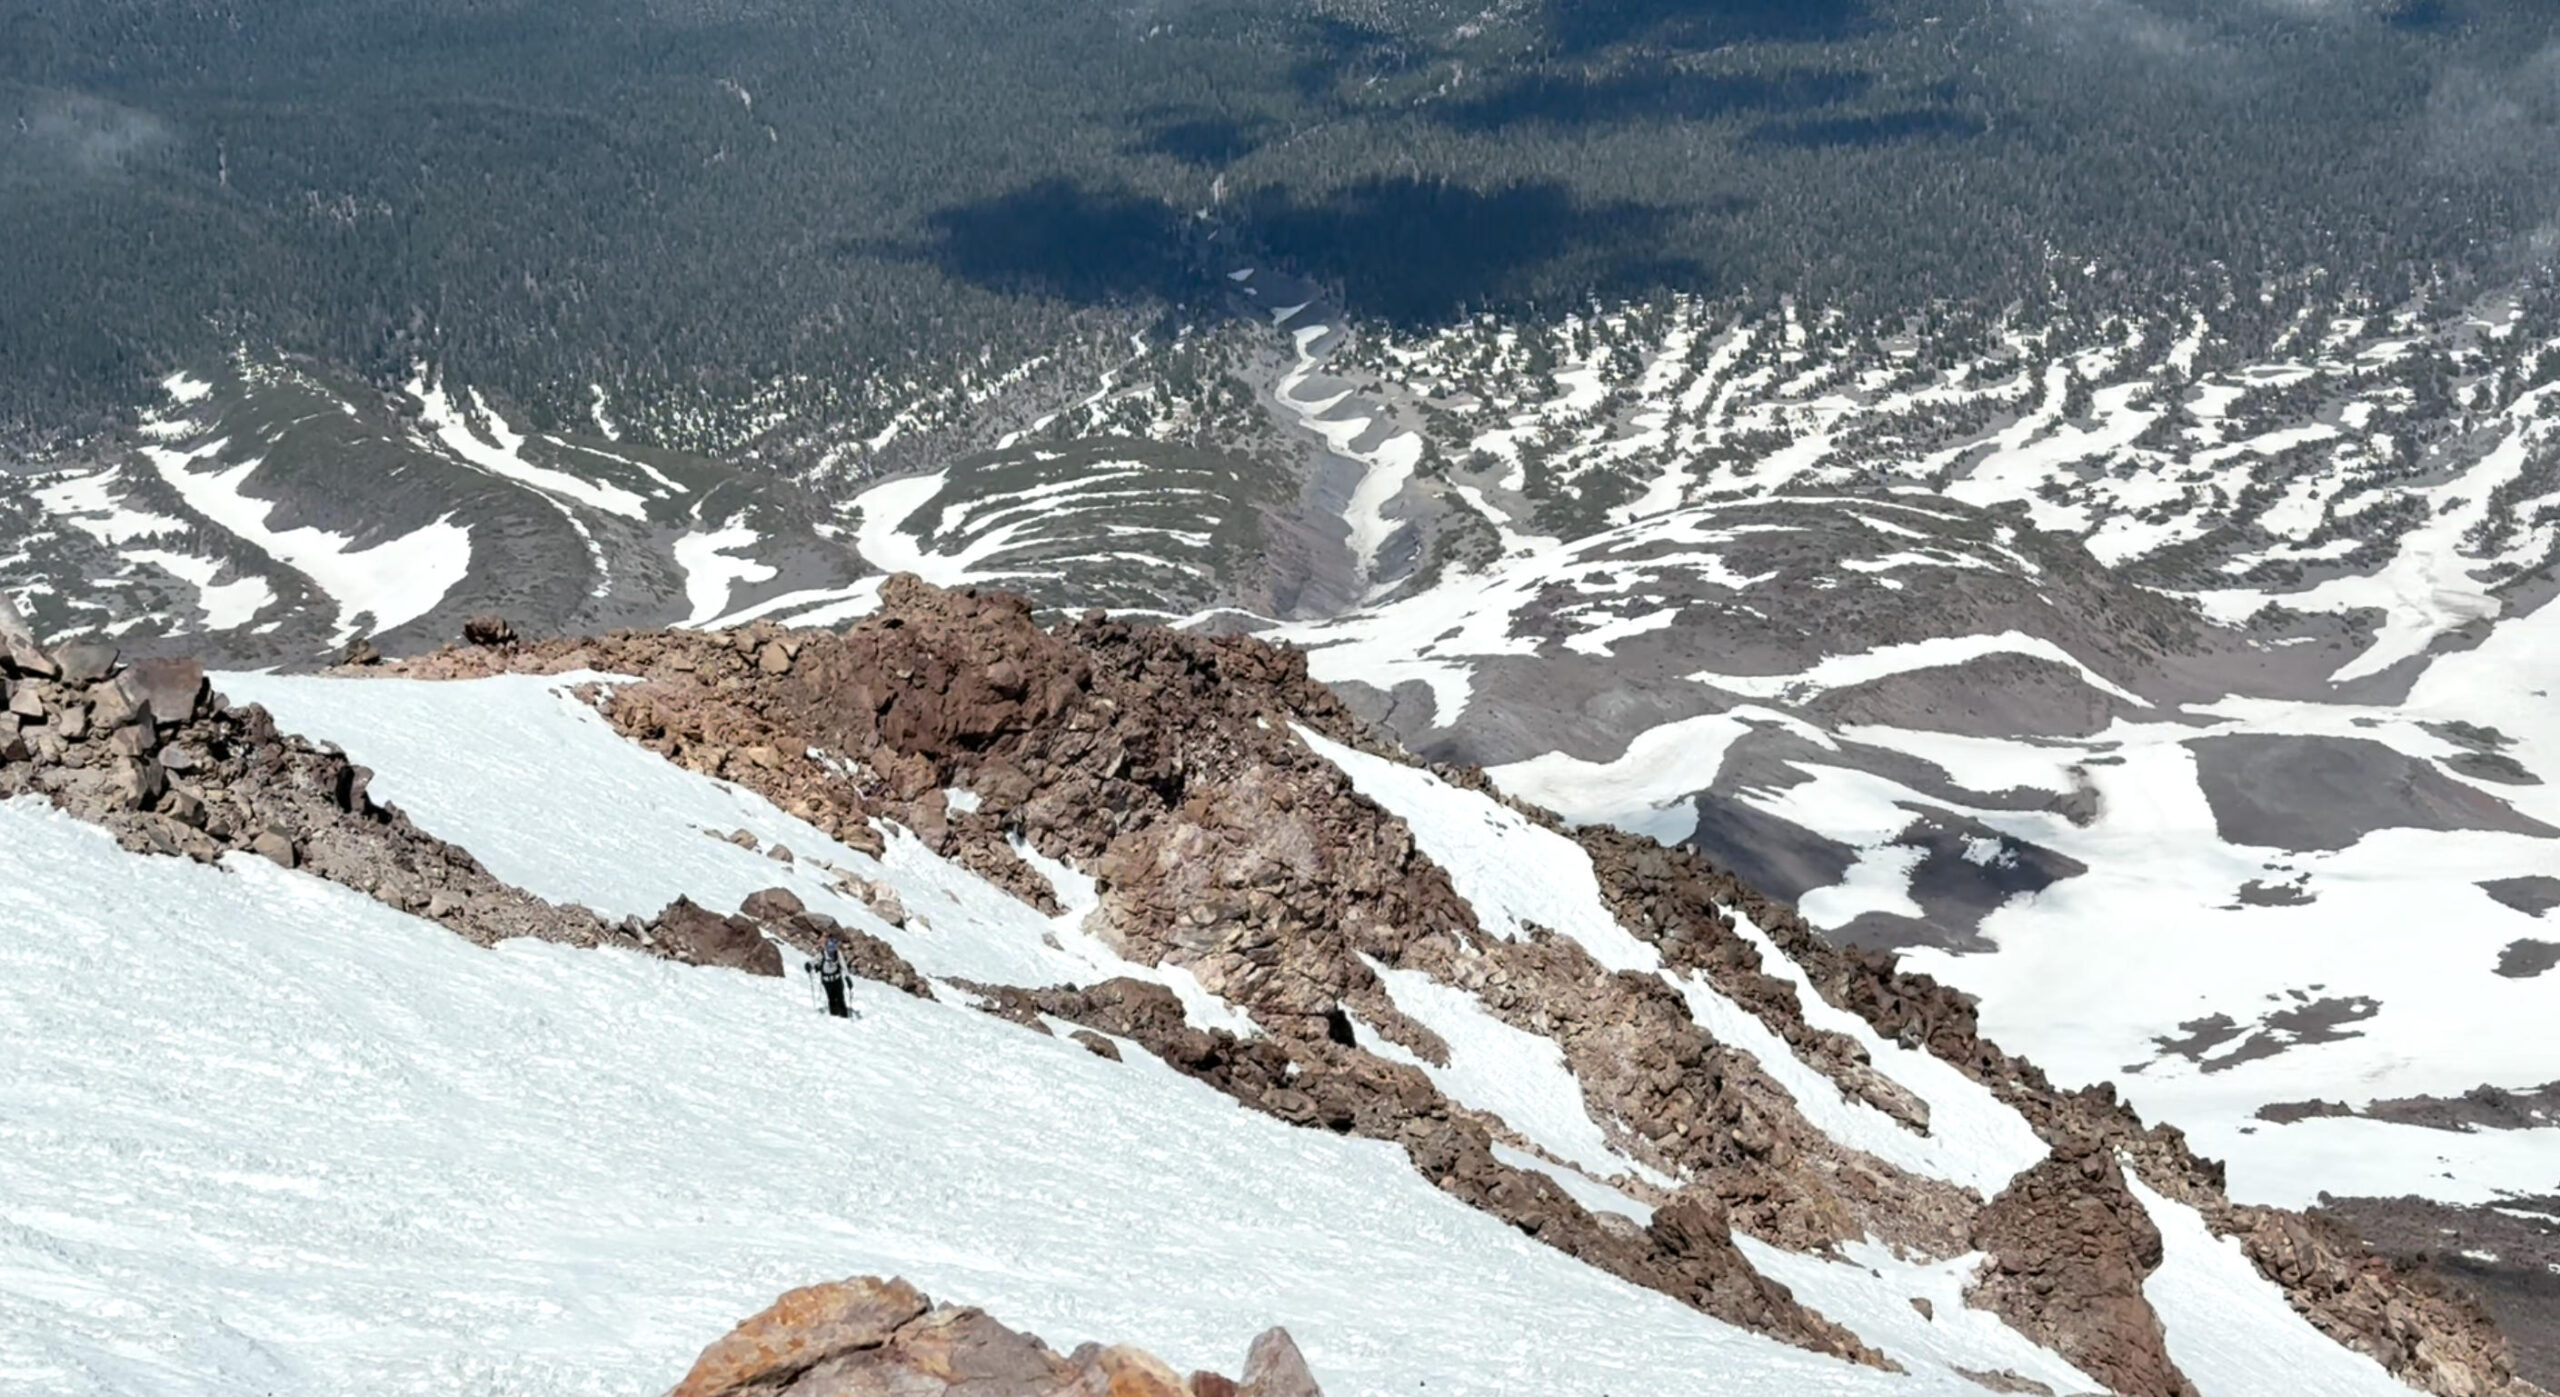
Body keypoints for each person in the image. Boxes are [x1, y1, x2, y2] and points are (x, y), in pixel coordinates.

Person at [808, 933, 851, 1018]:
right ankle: (834, 1016)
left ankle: (844, 1016)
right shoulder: (822, 954)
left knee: (840, 998)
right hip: (827, 981)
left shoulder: (838, 954)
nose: (831, 951)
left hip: (837, 980)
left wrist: (847, 977)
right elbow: (814, 961)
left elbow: (843, 966)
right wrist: (809, 965)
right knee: (831, 998)